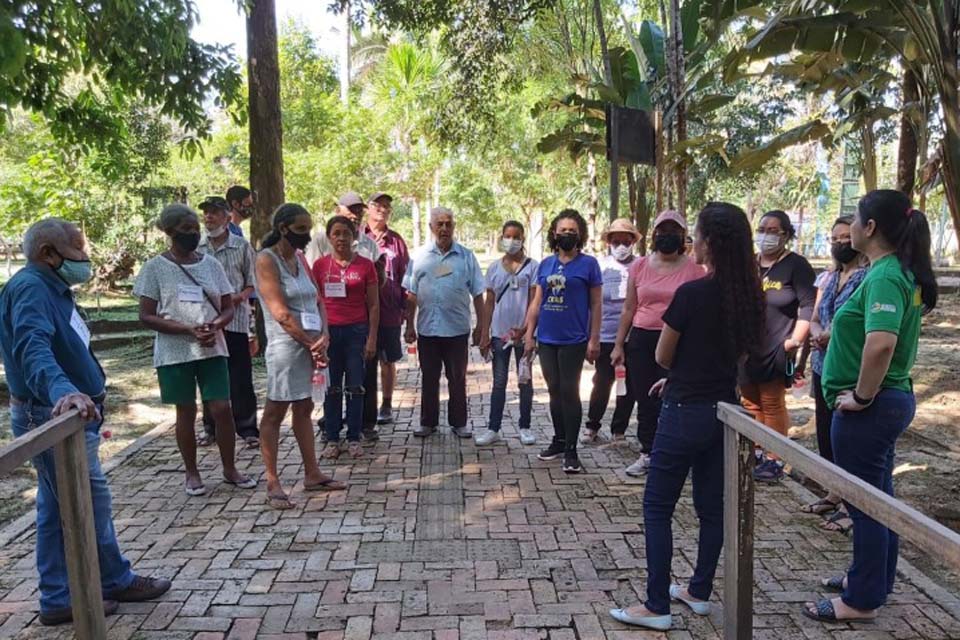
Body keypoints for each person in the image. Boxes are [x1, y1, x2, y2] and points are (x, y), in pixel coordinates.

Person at [0, 219, 172, 626]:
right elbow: (32, 348)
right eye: (79, 251)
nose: (86, 259)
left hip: (73, 415)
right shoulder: (30, 289)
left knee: (54, 507)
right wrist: (64, 391)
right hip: (51, 416)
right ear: (48, 253)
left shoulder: (53, 288)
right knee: (86, 503)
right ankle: (110, 580)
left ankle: (61, 595)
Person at [609, 202, 765, 631]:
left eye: (695, 233)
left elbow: (663, 353)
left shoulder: (692, 293)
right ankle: (699, 589)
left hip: (682, 413)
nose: (690, 240)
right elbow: (734, 356)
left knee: (657, 505)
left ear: (709, 242)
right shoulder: (749, 295)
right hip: (723, 412)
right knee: (711, 508)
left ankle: (656, 603)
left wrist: (676, 377)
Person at [803, 190, 937, 623]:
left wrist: (860, 396)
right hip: (884, 403)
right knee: (879, 501)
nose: (849, 228)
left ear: (871, 228)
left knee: (865, 504)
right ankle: (871, 580)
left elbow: (880, 344)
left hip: (873, 407)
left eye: (855, 220)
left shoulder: (883, 276)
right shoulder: (894, 272)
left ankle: (860, 601)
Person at [134, 205, 257, 497]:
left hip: (213, 347)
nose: (192, 233)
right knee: (185, 411)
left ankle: (230, 468)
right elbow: (146, 315)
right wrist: (187, 329)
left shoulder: (210, 265)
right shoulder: (155, 268)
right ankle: (192, 473)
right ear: (169, 232)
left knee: (221, 408)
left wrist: (214, 326)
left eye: (194, 228)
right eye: (185, 230)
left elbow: (228, 306)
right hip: (175, 352)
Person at [256, 204, 346, 509]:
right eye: (300, 229)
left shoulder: (299, 259)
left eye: (309, 228)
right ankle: (272, 481)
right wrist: (311, 343)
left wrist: (325, 336)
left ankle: (312, 473)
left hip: (312, 344)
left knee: (305, 407)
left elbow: (318, 299)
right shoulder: (266, 261)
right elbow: (280, 313)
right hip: (286, 348)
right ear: (282, 228)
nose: (307, 236)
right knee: (274, 412)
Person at [611, 211, 705, 476]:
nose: (667, 235)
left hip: (679, 343)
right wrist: (619, 344)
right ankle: (648, 452)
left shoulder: (695, 270)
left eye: (673, 230)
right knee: (645, 398)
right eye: (662, 230)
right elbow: (629, 308)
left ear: (683, 236)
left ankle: (674, 453)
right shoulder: (639, 266)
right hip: (642, 339)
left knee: (674, 397)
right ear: (654, 234)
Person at [800, 215, 866, 534]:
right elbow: (815, 316)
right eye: (834, 238)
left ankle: (852, 505)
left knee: (849, 439)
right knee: (826, 433)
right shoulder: (828, 277)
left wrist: (830, 335)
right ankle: (833, 491)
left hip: (848, 369)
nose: (839, 243)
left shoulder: (868, 278)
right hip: (821, 365)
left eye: (845, 237)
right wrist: (816, 332)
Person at [523, 209, 602, 474]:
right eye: (562, 230)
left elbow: (596, 303)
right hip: (547, 337)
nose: (567, 234)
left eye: (572, 231)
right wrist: (529, 334)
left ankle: (571, 449)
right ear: (554, 234)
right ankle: (558, 440)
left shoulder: (589, 265)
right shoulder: (545, 264)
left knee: (570, 390)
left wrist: (594, 338)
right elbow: (537, 301)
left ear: (580, 234)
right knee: (554, 390)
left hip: (574, 338)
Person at [740, 209, 816, 482]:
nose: (766, 235)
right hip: (747, 345)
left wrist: (795, 340)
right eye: (762, 229)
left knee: (772, 402)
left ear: (786, 235)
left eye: (774, 231)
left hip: (778, 343)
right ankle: (757, 450)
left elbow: (808, 306)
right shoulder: (749, 263)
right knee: (750, 401)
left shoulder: (797, 265)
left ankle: (775, 458)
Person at [307, 192, 384, 441]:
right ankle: (331, 435)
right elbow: (314, 301)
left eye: (346, 234)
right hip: (329, 333)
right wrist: (317, 335)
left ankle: (354, 435)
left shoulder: (365, 265)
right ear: (329, 238)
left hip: (356, 332)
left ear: (354, 237)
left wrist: (371, 338)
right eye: (336, 234)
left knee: (356, 386)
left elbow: (373, 304)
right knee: (331, 387)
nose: (341, 238)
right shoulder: (320, 266)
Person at [403, 206, 485, 438]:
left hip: (457, 330)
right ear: (431, 227)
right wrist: (409, 324)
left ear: (454, 226)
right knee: (429, 377)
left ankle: (459, 423)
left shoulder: (467, 256)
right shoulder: (418, 257)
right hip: (428, 329)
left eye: (448, 223)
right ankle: (428, 423)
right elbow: (410, 293)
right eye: (439, 224)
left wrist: (481, 326)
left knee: (457, 379)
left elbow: (479, 293)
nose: (444, 228)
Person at [197, 196, 260, 449]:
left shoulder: (242, 246)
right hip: (206, 321)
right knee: (209, 376)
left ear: (226, 217)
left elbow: (252, 282)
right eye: (206, 213)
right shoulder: (197, 248)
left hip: (236, 321)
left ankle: (247, 428)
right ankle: (210, 428)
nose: (209, 217)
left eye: (214, 212)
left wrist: (237, 298)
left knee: (240, 375)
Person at [477, 220, 539, 446]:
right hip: (500, 334)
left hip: (523, 334)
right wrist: (485, 332)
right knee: (499, 381)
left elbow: (534, 301)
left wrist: (526, 330)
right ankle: (493, 428)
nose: (511, 241)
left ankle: (525, 426)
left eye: (516, 236)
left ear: (523, 239)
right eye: (507, 236)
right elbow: (489, 302)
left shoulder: (533, 267)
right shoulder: (494, 268)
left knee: (525, 380)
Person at [582, 219, 640, 445]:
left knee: (629, 384)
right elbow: (591, 303)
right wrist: (591, 337)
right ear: (609, 243)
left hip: (633, 335)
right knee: (602, 381)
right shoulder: (600, 266)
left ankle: (619, 430)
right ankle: (592, 425)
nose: (621, 245)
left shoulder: (640, 266)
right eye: (616, 241)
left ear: (633, 242)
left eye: (626, 241)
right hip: (605, 334)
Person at [364, 192, 410, 426]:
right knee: (364, 360)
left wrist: (405, 309)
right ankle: (365, 406)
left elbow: (405, 276)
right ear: (368, 208)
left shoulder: (396, 241)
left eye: (387, 207)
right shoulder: (359, 237)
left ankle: (387, 404)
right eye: (378, 205)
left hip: (390, 312)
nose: (382, 209)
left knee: (388, 360)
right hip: (362, 312)